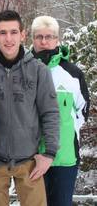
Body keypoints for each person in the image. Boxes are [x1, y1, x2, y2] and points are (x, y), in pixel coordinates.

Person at [0, 10, 60, 206]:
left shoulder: (38, 70)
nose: (8, 38)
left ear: (23, 34)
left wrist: (50, 154)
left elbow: (50, 113)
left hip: (30, 161)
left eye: (13, 32)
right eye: (3, 33)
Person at [31, 15, 90, 206]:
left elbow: (83, 109)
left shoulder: (72, 74)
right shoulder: (23, 70)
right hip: (31, 156)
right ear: (32, 39)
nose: (44, 41)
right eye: (39, 37)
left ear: (57, 39)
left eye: (49, 36)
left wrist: (68, 129)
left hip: (65, 157)